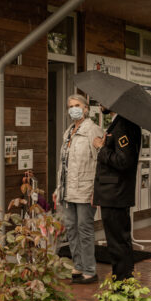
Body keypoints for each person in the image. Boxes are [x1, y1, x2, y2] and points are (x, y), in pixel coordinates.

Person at [55, 95, 104, 284]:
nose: (73, 109)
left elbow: (100, 163)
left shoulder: (93, 130)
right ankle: (78, 266)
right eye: (70, 106)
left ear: (85, 109)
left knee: (85, 229)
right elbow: (64, 164)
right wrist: (58, 188)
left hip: (85, 190)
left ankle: (90, 270)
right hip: (67, 191)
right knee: (71, 229)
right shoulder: (68, 132)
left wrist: (95, 190)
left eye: (77, 106)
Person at [92, 107, 142, 281]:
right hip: (113, 193)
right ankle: (123, 282)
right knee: (118, 243)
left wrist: (100, 148)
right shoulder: (118, 124)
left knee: (117, 244)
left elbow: (124, 161)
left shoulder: (124, 125)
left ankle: (122, 286)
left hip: (115, 193)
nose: (100, 104)